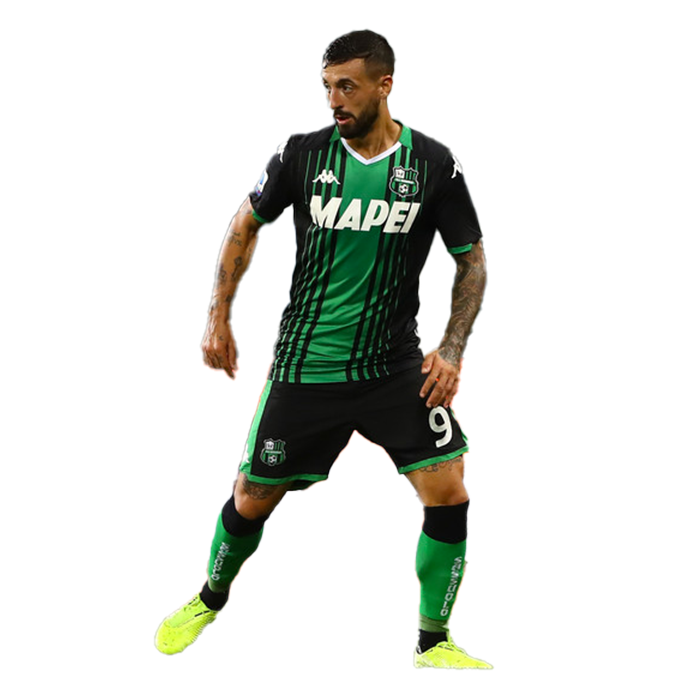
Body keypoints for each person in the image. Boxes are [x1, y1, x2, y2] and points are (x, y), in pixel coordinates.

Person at [155, 29, 491, 671]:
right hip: (307, 364)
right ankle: (209, 598)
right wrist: (217, 316)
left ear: (385, 86)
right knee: (252, 496)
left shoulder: (434, 166)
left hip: (395, 366)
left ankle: (433, 643)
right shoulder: (301, 155)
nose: (334, 100)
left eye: (347, 86)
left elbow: (471, 260)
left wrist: (450, 349)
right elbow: (244, 226)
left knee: (448, 488)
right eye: (327, 87)